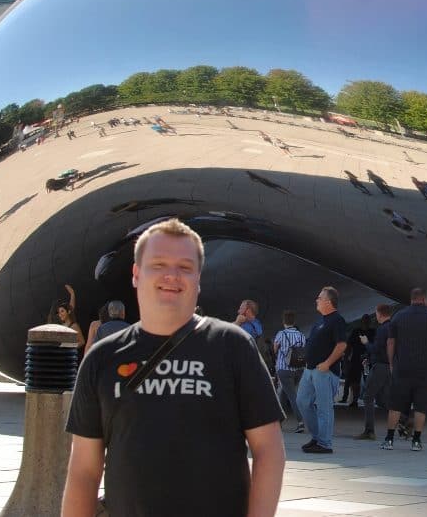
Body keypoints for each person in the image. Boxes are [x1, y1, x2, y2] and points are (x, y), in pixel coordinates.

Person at [62, 218, 285, 517]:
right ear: (136, 274)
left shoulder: (232, 346)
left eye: (185, 267)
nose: (172, 276)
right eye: (158, 265)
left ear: (198, 279)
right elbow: (84, 470)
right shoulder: (102, 358)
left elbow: (269, 451)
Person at [382, 288, 427, 452]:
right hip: (426, 369)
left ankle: (389, 440)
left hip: (403, 367)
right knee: (421, 406)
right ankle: (416, 441)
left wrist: (391, 362)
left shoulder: (399, 316)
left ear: (411, 299)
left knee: (396, 405)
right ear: (425, 300)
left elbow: (390, 342)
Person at [296, 286, 347, 454]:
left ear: (328, 301)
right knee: (302, 402)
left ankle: (324, 443)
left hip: (325, 372)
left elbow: (341, 345)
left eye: (319, 297)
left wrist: (327, 363)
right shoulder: (319, 321)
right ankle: (317, 437)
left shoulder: (337, 320)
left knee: (324, 407)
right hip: (310, 370)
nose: (316, 300)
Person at [355, 304, 394, 441]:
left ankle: (369, 430)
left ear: (380, 314)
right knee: (384, 400)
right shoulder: (393, 328)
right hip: (389, 367)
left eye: (376, 314)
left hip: (380, 367)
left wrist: (366, 342)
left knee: (368, 396)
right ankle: (405, 422)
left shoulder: (382, 329)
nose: (376, 316)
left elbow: (376, 348)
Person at [273, 310, 307, 434]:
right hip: (298, 369)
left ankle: (301, 422)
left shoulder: (281, 334)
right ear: (294, 322)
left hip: (284, 369)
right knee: (282, 393)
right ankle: (278, 421)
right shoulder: (301, 335)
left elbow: (275, 349)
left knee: (292, 396)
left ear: (283, 321)